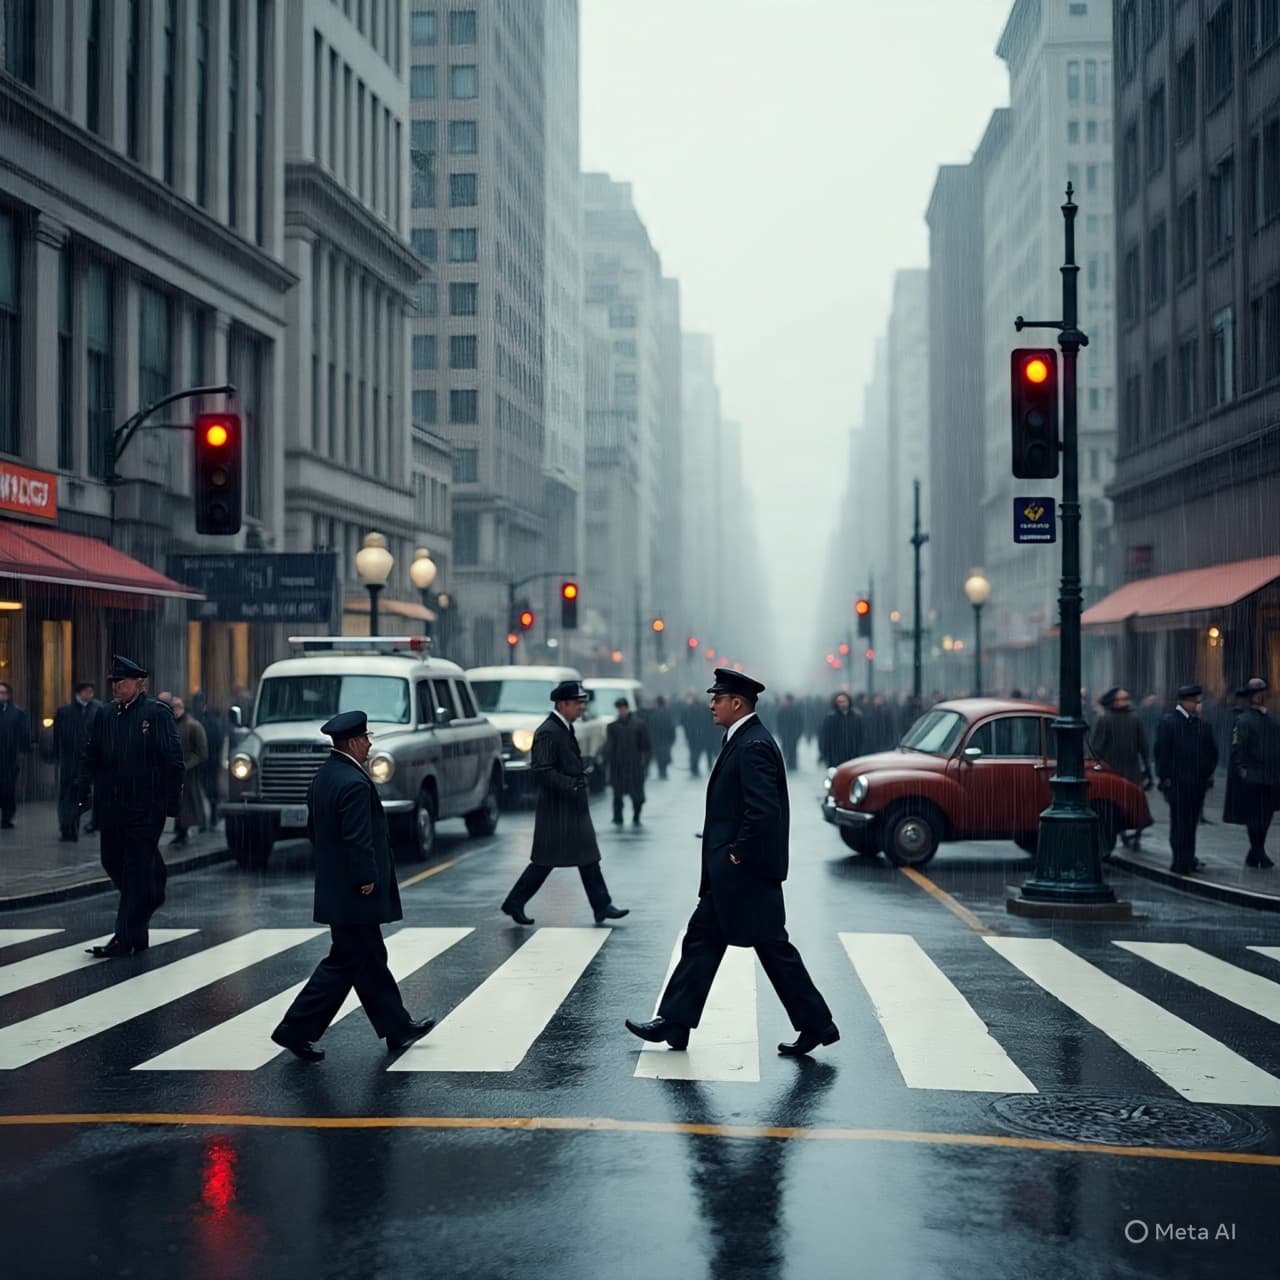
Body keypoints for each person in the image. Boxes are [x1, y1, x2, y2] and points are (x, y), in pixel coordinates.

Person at [626, 668, 838, 1058]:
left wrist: (737, 852)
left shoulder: (753, 745)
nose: (711, 704)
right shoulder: (744, 739)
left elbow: (763, 810)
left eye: (717, 698)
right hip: (737, 874)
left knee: (771, 949)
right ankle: (675, 1022)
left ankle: (816, 1023)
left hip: (745, 875)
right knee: (704, 941)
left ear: (736, 703)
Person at [270, 710, 435, 1062]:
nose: (370, 744)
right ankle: (295, 1029)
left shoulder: (324, 777)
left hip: (335, 886)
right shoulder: (354, 783)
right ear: (354, 742)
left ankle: (398, 1028)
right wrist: (365, 877)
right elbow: (359, 839)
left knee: (370, 957)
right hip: (354, 891)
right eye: (366, 739)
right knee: (345, 961)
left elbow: (315, 831)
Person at [76, 656, 184, 957]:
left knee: (136, 870)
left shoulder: (156, 714)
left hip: (146, 809)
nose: (116, 687)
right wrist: (82, 790)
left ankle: (125, 937)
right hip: (112, 807)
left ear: (141, 684)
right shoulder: (105, 715)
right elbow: (90, 756)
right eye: (113, 682)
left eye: (122, 682)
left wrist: (171, 802)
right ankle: (150, 897)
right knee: (112, 861)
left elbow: (173, 761)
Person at [501, 680, 629, 926]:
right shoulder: (549, 731)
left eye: (583, 703)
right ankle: (515, 902)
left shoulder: (564, 728)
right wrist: (570, 784)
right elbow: (541, 770)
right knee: (545, 861)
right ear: (562, 704)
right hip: (557, 808)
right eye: (578, 703)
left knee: (588, 857)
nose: (582, 708)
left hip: (570, 806)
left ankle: (602, 906)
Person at [1153, 684, 1219, 876]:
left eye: (1200, 702)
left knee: (1190, 823)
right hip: (1177, 783)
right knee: (1180, 822)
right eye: (1196, 702)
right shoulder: (1169, 722)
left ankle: (1188, 858)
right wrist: (1165, 778)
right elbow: (1162, 752)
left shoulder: (1202, 725)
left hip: (1196, 783)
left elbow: (1212, 753)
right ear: (1185, 701)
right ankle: (1180, 860)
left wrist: (1206, 774)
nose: (1199, 706)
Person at [1223, 677, 1280, 869]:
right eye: (1256, 693)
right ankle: (1258, 852)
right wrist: (1243, 771)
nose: (1260, 696)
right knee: (1254, 818)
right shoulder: (1244, 720)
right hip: (1254, 776)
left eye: (1262, 692)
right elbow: (1238, 748)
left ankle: (1255, 852)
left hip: (1269, 776)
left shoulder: (1271, 720)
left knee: (1265, 817)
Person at [1090, 687, 1152, 850]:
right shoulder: (1105, 720)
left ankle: (1136, 835)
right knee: (1118, 805)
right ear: (1112, 702)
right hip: (1113, 770)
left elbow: (1143, 747)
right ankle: (1123, 835)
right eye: (1121, 699)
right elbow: (1097, 748)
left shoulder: (1134, 719)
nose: (1125, 702)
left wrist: (1148, 771)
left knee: (1136, 805)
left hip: (1131, 769)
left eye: (1126, 698)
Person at [52, 682, 99, 841]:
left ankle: (84, 824)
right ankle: (67, 828)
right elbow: (57, 736)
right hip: (70, 761)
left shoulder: (97, 710)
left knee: (84, 796)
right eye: (87, 691)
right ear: (78, 693)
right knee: (68, 795)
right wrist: (57, 755)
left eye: (91, 691)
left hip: (89, 762)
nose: (89, 695)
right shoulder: (65, 712)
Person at [169, 696, 209, 848]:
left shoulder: (193, 726)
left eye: (178, 707)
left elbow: (202, 752)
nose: (175, 710)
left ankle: (183, 832)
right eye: (173, 707)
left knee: (188, 804)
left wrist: (188, 765)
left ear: (183, 708)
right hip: (174, 773)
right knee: (178, 804)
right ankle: (180, 831)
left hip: (188, 773)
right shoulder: (171, 725)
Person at [606, 697, 651, 826]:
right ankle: (618, 817)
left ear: (627, 708)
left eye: (622, 708)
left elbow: (645, 746)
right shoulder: (613, 726)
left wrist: (644, 764)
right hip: (618, 766)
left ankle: (636, 814)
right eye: (619, 708)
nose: (621, 710)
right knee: (617, 796)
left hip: (634, 766)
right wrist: (607, 760)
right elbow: (610, 746)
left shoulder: (639, 725)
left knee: (637, 796)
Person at [190, 690, 225, 831]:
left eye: (198, 702)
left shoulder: (208, 721)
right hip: (202, 762)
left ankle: (208, 820)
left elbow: (218, 741)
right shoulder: (200, 720)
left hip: (208, 762)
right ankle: (206, 821)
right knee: (202, 792)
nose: (197, 705)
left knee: (208, 792)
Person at [0, 681, 31, 829]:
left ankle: (7, 817)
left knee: (8, 789)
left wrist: (22, 752)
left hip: (9, 758)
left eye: (3, 693)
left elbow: (23, 734)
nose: (1, 696)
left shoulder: (17, 713)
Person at [819, 692, 863, 768]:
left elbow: (862, 735)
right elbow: (825, 737)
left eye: (844, 701)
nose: (842, 704)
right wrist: (825, 753)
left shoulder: (856, 717)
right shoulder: (831, 718)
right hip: (835, 756)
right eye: (840, 702)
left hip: (853, 755)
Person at [646, 695, 677, 780]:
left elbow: (651, 728)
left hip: (657, 740)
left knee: (659, 757)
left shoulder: (654, 714)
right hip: (666, 739)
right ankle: (663, 771)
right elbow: (671, 727)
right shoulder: (668, 713)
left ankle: (661, 771)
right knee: (665, 755)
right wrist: (672, 738)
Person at [775, 694, 804, 771]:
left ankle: (790, 763)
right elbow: (801, 723)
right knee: (792, 749)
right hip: (792, 734)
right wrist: (798, 733)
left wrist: (780, 732)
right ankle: (792, 764)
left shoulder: (782, 710)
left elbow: (779, 723)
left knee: (787, 749)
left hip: (787, 734)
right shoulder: (796, 710)